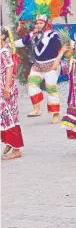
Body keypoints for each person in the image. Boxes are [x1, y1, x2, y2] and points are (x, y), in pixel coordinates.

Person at [15, 14, 62, 123]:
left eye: (41, 23)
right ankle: (37, 109)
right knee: (31, 84)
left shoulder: (54, 35)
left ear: (46, 23)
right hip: (37, 66)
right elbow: (22, 42)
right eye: (37, 23)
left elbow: (65, 45)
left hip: (51, 66)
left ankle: (55, 113)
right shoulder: (33, 35)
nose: (38, 25)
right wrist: (9, 44)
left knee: (51, 89)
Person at [1, 27, 24, 160]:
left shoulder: (4, 52)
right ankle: (9, 141)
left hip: (5, 88)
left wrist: (7, 88)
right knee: (5, 117)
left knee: (9, 116)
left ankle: (16, 149)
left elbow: (9, 69)